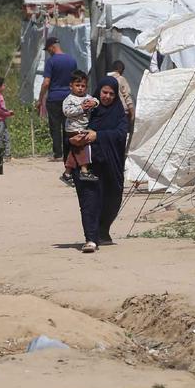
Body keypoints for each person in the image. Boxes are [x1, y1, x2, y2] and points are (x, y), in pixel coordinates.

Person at [71, 76, 129, 253]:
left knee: (112, 200)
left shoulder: (119, 113)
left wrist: (99, 136)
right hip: (89, 164)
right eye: (104, 92)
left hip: (111, 165)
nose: (108, 97)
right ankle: (91, 238)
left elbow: (121, 134)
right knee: (90, 200)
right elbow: (72, 127)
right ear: (98, 92)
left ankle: (102, 231)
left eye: (112, 94)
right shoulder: (88, 110)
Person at [37, 36, 77, 160]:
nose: (48, 52)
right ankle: (68, 152)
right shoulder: (72, 60)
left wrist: (40, 99)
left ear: (52, 47)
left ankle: (58, 154)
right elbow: (76, 80)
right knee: (68, 126)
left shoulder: (51, 62)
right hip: (69, 98)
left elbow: (46, 83)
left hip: (54, 98)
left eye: (48, 50)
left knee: (55, 127)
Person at [62, 70, 100, 184]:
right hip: (73, 128)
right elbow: (66, 112)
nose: (80, 88)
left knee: (76, 150)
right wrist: (81, 108)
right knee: (85, 145)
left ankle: (67, 173)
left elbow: (96, 100)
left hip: (83, 127)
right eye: (77, 85)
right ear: (71, 86)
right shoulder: (69, 99)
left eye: (83, 86)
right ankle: (84, 170)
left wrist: (94, 103)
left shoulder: (87, 97)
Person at [107, 60, 136, 134]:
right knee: (122, 133)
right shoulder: (121, 79)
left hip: (108, 111)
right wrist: (132, 112)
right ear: (121, 70)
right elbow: (127, 96)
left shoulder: (106, 79)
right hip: (122, 112)